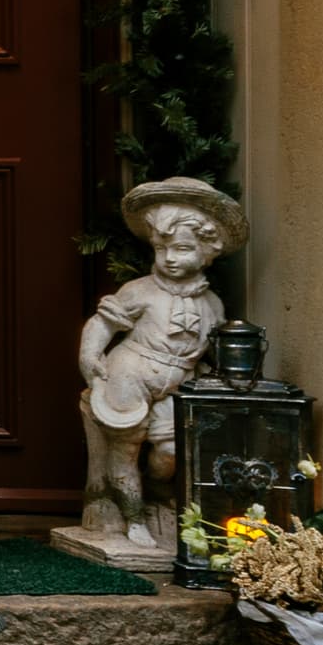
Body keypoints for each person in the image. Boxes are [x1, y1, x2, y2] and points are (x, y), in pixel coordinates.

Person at [78, 175, 246, 549]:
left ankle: (156, 495)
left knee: (168, 451)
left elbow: (212, 349)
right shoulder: (139, 291)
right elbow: (102, 324)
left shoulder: (212, 304)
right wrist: (90, 355)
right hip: (130, 371)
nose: (170, 258)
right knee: (126, 445)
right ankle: (133, 517)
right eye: (162, 248)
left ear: (207, 251)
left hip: (177, 382)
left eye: (183, 249)